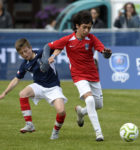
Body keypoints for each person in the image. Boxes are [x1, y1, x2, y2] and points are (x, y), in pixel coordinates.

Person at [39, 10, 112, 141]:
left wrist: (106, 53)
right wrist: (46, 59)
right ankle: (99, 133)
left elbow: (102, 49)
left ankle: (81, 112)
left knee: (98, 105)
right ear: (77, 26)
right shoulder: (68, 39)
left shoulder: (92, 39)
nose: (87, 30)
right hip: (79, 76)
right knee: (89, 100)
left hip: (93, 75)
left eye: (89, 27)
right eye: (84, 27)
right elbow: (48, 46)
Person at [0, 38, 67, 140]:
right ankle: (29, 124)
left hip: (53, 87)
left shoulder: (43, 52)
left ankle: (55, 132)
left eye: (26, 51)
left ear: (30, 48)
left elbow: (59, 48)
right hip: (39, 86)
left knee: (61, 111)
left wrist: (53, 56)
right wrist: (4, 93)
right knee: (23, 93)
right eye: (21, 53)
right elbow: (16, 79)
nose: (24, 54)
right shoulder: (25, 64)